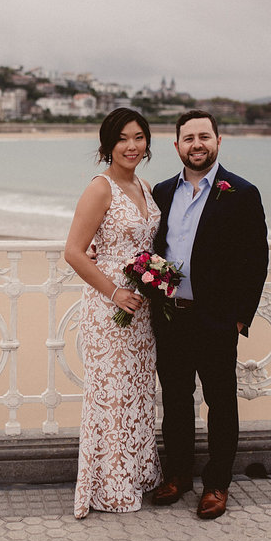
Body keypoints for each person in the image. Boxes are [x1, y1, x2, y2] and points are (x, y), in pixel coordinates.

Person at [149, 109, 269, 520]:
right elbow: (147, 244)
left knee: (220, 403)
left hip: (216, 319)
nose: (197, 144)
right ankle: (179, 474)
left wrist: (240, 318)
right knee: (176, 400)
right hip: (170, 316)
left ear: (219, 141)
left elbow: (256, 260)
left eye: (204, 136)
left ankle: (217, 484)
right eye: (188, 138)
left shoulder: (241, 192)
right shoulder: (161, 192)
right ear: (177, 145)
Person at [64, 107, 163, 519]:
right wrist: (116, 292)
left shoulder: (145, 185)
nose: (131, 145)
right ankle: (109, 487)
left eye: (138, 137)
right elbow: (73, 252)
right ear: (108, 144)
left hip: (142, 310)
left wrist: (157, 278)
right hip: (110, 309)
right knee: (112, 396)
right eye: (122, 138)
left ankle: (136, 474)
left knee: (138, 392)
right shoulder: (100, 188)